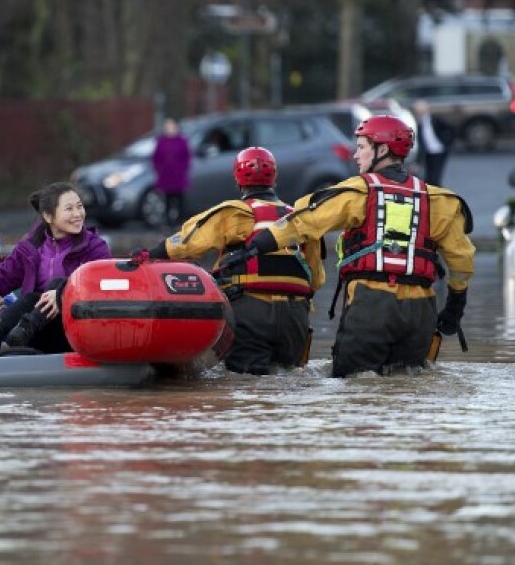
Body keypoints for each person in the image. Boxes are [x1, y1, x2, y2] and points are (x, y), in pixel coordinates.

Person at [218, 115, 475, 378]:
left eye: (362, 147)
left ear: (382, 150)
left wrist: (254, 248)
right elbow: (462, 260)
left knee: (352, 384)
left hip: (372, 306)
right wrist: (456, 307)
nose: (356, 155)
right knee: (406, 385)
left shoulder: (357, 192)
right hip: (421, 312)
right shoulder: (440, 200)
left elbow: (302, 222)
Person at [144, 147, 325, 374]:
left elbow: (187, 243)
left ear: (238, 179)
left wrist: (150, 254)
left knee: (246, 381)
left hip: (251, 311)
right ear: (274, 178)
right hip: (295, 316)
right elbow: (316, 279)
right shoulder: (298, 219)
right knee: (288, 379)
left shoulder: (235, 213)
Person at [0, 182, 111, 355]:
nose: (78, 214)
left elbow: (99, 286)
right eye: (69, 209)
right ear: (48, 216)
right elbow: (2, 277)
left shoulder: (95, 247)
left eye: (79, 207)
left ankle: (18, 330)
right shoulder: (30, 247)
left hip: (73, 328)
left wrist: (63, 295)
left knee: (57, 284)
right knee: (31, 298)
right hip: (34, 333)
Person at [151, 117, 191, 226]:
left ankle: (180, 221)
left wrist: (183, 169)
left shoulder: (182, 141)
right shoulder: (161, 142)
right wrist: (160, 169)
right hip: (166, 176)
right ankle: (169, 222)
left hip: (178, 176)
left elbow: (186, 157)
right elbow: (156, 157)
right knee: (167, 200)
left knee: (180, 200)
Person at [412, 99, 455, 186]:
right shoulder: (417, 124)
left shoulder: (436, 120)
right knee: (428, 177)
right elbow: (420, 144)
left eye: (421, 111)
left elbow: (450, 129)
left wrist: (447, 143)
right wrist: (417, 162)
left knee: (435, 177)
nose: (420, 113)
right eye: (418, 111)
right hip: (428, 153)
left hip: (439, 151)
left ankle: (439, 195)